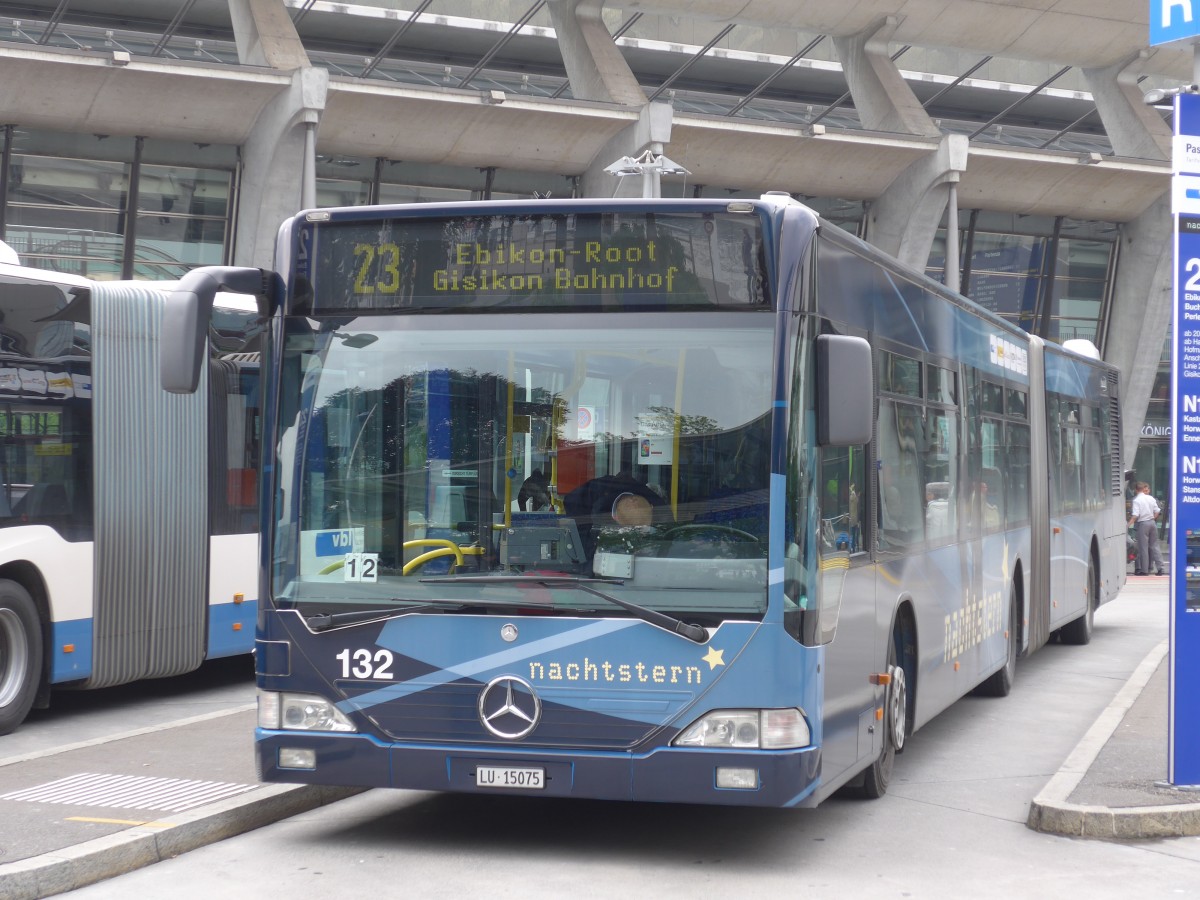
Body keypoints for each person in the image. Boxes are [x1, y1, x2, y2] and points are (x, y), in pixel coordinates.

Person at [1129, 482, 1165, 576]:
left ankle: (1144, 570)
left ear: (1136, 490)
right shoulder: (1151, 498)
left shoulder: (1136, 500)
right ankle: (1161, 568)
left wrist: (1128, 524)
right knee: (1155, 546)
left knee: (1143, 547)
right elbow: (1157, 511)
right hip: (1152, 523)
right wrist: (1152, 518)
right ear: (1143, 489)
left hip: (1143, 523)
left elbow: (1135, 515)